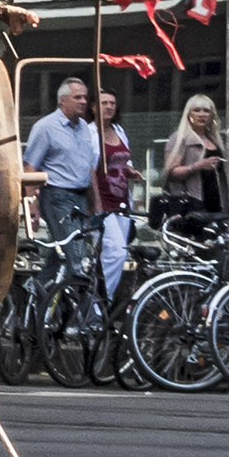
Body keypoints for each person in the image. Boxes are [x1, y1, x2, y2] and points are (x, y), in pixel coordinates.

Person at [24, 77, 100, 269]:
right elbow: (29, 168)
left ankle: (40, 295)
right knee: (77, 255)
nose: (83, 101)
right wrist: (31, 208)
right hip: (57, 196)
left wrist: (95, 203)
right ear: (63, 100)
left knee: (60, 257)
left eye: (85, 97)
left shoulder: (84, 128)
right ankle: (79, 298)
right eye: (77, 97)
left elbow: (88, 168)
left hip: (81, 197)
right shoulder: (45, 127)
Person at [93, 89, 140, 301]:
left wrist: (131, 172)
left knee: (114, 255)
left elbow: (123, 162)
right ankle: (99, 304)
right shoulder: (90, 132)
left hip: (122, 202)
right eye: (104, 103)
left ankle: (100, 302)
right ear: (94, 107)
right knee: (116, 253)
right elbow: (89, 169)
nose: (109, 107)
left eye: (112, 103)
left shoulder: (119, 130)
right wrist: (96, 205)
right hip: (104, 203)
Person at [162, 95, 229, 219]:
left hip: (216, 205)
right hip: (191, 204)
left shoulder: (215, 140)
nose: (202, 114)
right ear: (189, 114)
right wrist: (197, 166)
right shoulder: (180, 138)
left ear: (212, 115)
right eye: (197, 110)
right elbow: (171, 172)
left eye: (206, 111)